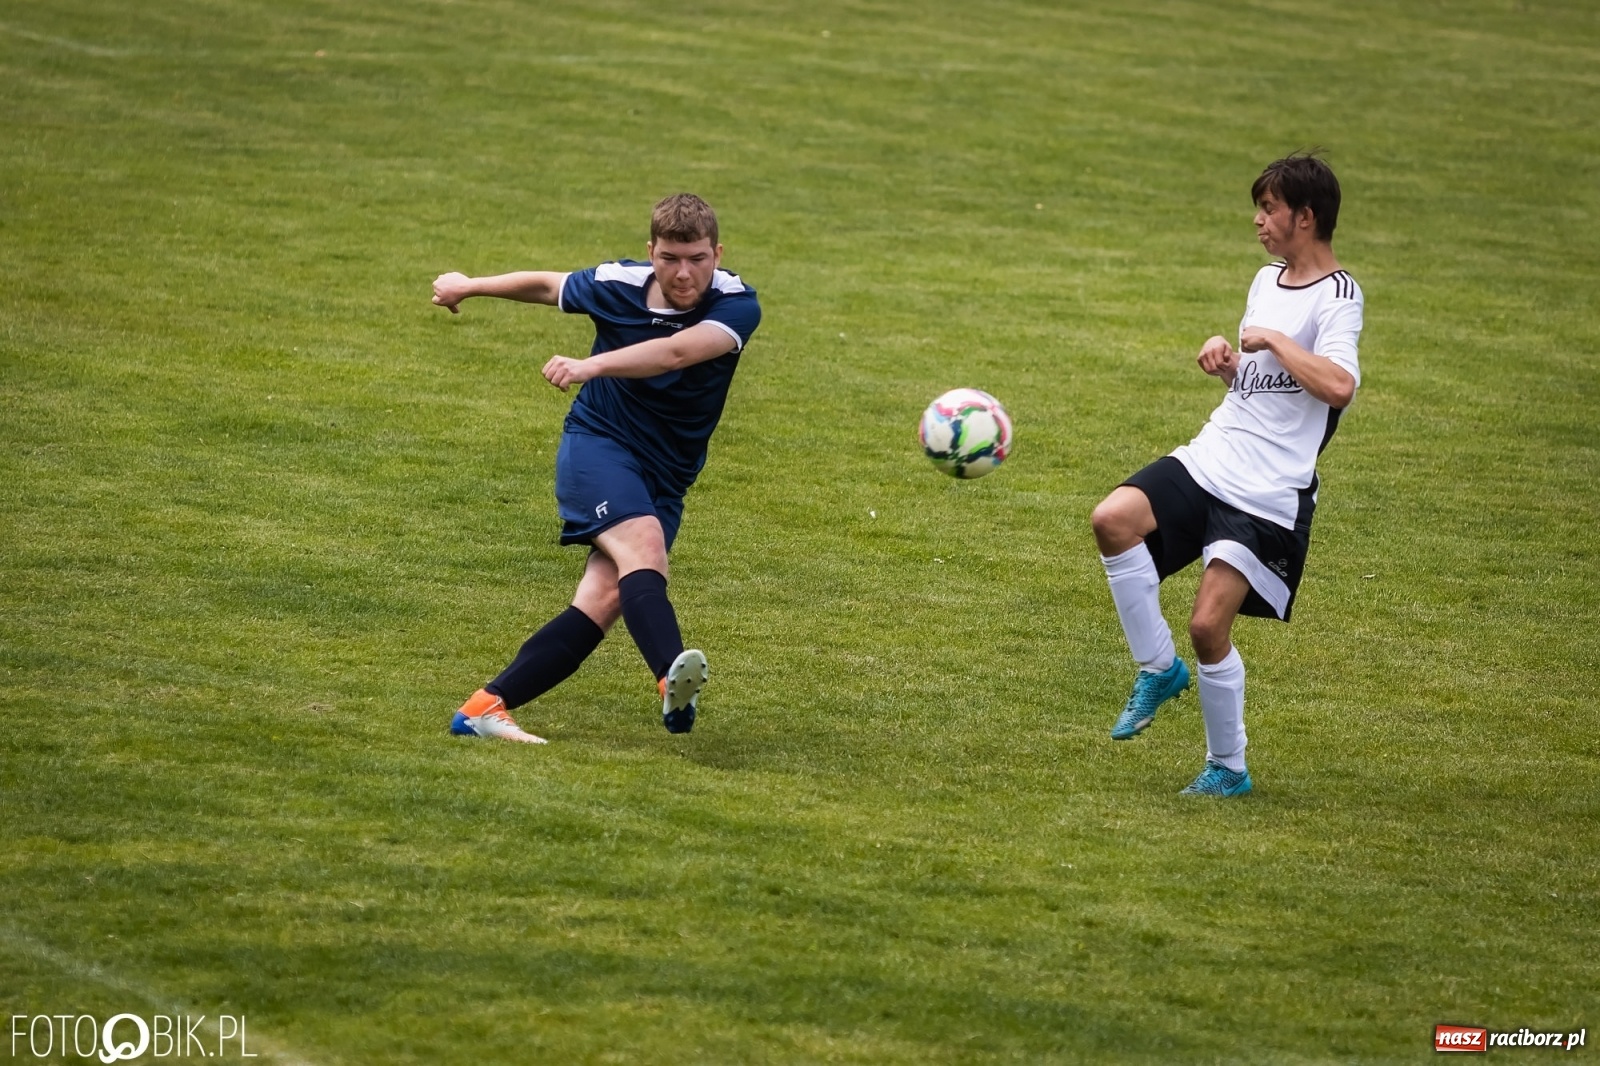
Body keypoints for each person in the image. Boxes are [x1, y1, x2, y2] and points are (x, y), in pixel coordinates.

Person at [430, 193, 761, 743]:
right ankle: (671, 677)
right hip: (600, 445)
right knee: (645, 548)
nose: (684, 273)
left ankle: (483, 708)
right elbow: (549, 286)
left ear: (717, 254)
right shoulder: (618, 283)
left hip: (668, 475)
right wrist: (469, 285)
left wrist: (592, 364)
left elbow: (676, 353)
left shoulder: (736, 304)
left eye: (697, 259)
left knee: (604, 599)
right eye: (670, 258)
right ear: (651, 252)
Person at [1089, 153, 1363, 795]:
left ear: (1305, 217)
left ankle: (1227, 768)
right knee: (1112, 519)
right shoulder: (1266, 280)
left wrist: (1275, 341)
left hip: (1268, 490)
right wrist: (1229, 362)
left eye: (1269, 209)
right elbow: (1264, 383)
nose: (1259, 221)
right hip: (1214, 454)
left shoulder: (1340, 295)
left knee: (1208, 627)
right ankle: (1157, 669)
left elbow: (1338, 386)